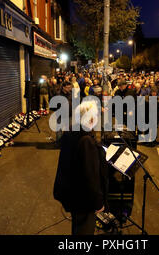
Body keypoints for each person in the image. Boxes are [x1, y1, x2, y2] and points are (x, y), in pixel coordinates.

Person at [53, 101, 108, 235]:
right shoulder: (86, 141)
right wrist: (98, 203)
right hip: (83, 199)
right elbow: (90, 176)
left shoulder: (71, 132)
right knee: (84, 230)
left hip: (71, 194)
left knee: (77, 228)